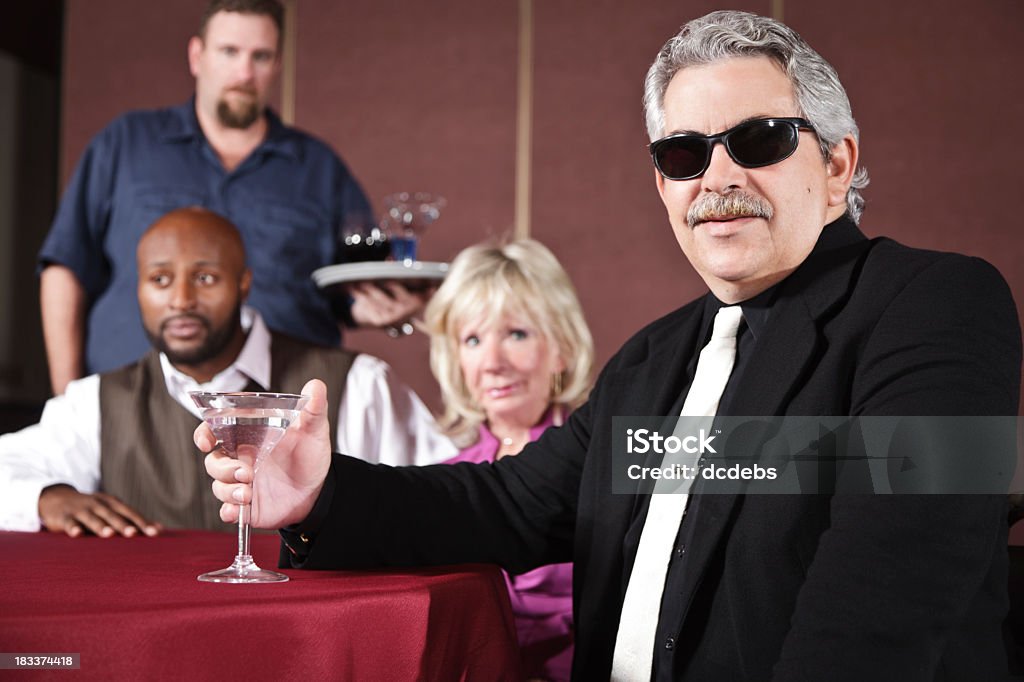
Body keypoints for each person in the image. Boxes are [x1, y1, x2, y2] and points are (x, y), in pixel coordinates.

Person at [200, 11, 1021, 681]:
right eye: (684, 153)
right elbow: (508, 505)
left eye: (760, 140)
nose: (717, 176)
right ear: (663, 184)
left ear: (838, 165)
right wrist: (320, 493)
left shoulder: (936, 304)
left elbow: (887, 597)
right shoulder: (649, 363)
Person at [38, 0, 426, 395]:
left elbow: (351, 293)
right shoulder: (125, 144)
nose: (244, 73)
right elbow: (65, 270)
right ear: (197, 56)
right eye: (229, 52)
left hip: (280, 406)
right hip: (132, 402)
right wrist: (67, 401)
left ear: (276, 65)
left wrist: (388, 309)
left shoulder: (320, 168)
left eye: (261, 56)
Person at [2, 207, 454, 537]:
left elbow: (439, 497)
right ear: (137, 290)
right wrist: (45, 498)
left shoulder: (358, 383)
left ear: (243, 283)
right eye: (160, 280)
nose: (180, 300)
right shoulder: (95, 401)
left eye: (204, 278)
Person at [425, 239, 594, 681]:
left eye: (516, 333)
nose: (492, 362)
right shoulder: (445, 481)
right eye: (473, 339)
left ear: (561, 348)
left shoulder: (599, 465)